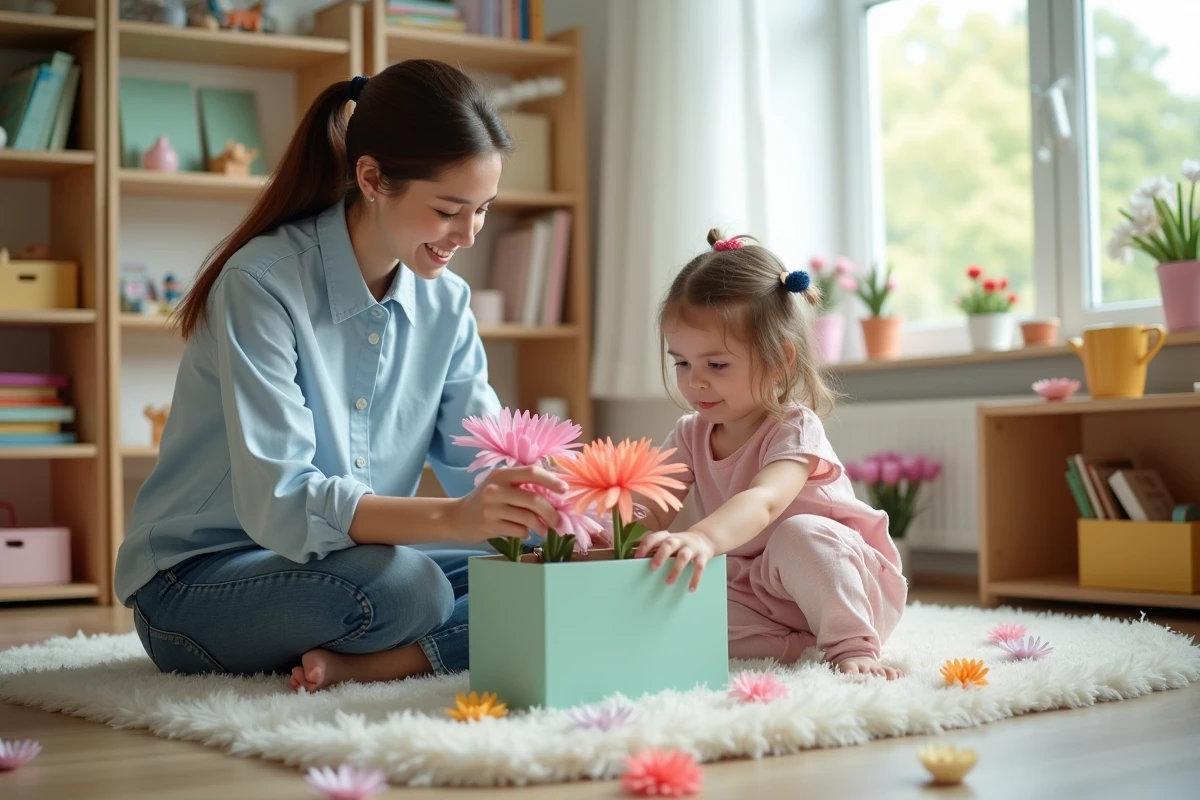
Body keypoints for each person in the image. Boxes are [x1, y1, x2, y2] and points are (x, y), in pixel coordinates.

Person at [113, 60, 566, 693]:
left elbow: (479, 454)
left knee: (548, 578)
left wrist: (545, 508)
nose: (468, 235)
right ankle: (416, 639)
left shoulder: (447, 302)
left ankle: (372, 662)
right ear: (373, 178)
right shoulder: (262, 283)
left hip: (344, 564)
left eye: (483, 210)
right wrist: (454, 520)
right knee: (410, 589)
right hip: (201, 580)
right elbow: (284, 503)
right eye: (448, 210)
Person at [632, 229, 908, 679]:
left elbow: (765, 501)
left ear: (779, 359)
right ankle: (797, 646)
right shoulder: (689, 434)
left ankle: (851, 644)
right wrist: (586, 528)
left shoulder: (794, 427)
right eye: (682, 362)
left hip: (842, 582)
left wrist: (701, 537)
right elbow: (646, 510)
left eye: (716, 365)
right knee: (678, 594)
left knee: (798, 534)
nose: (694, 381)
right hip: (759, 592)